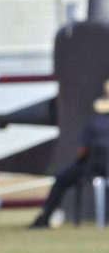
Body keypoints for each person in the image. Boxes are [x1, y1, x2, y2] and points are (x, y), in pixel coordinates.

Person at [30, 79, 109, 227]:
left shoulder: (94, 123)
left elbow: (83, 151)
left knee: (61, 179)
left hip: (92, 169)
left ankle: (45, 217)